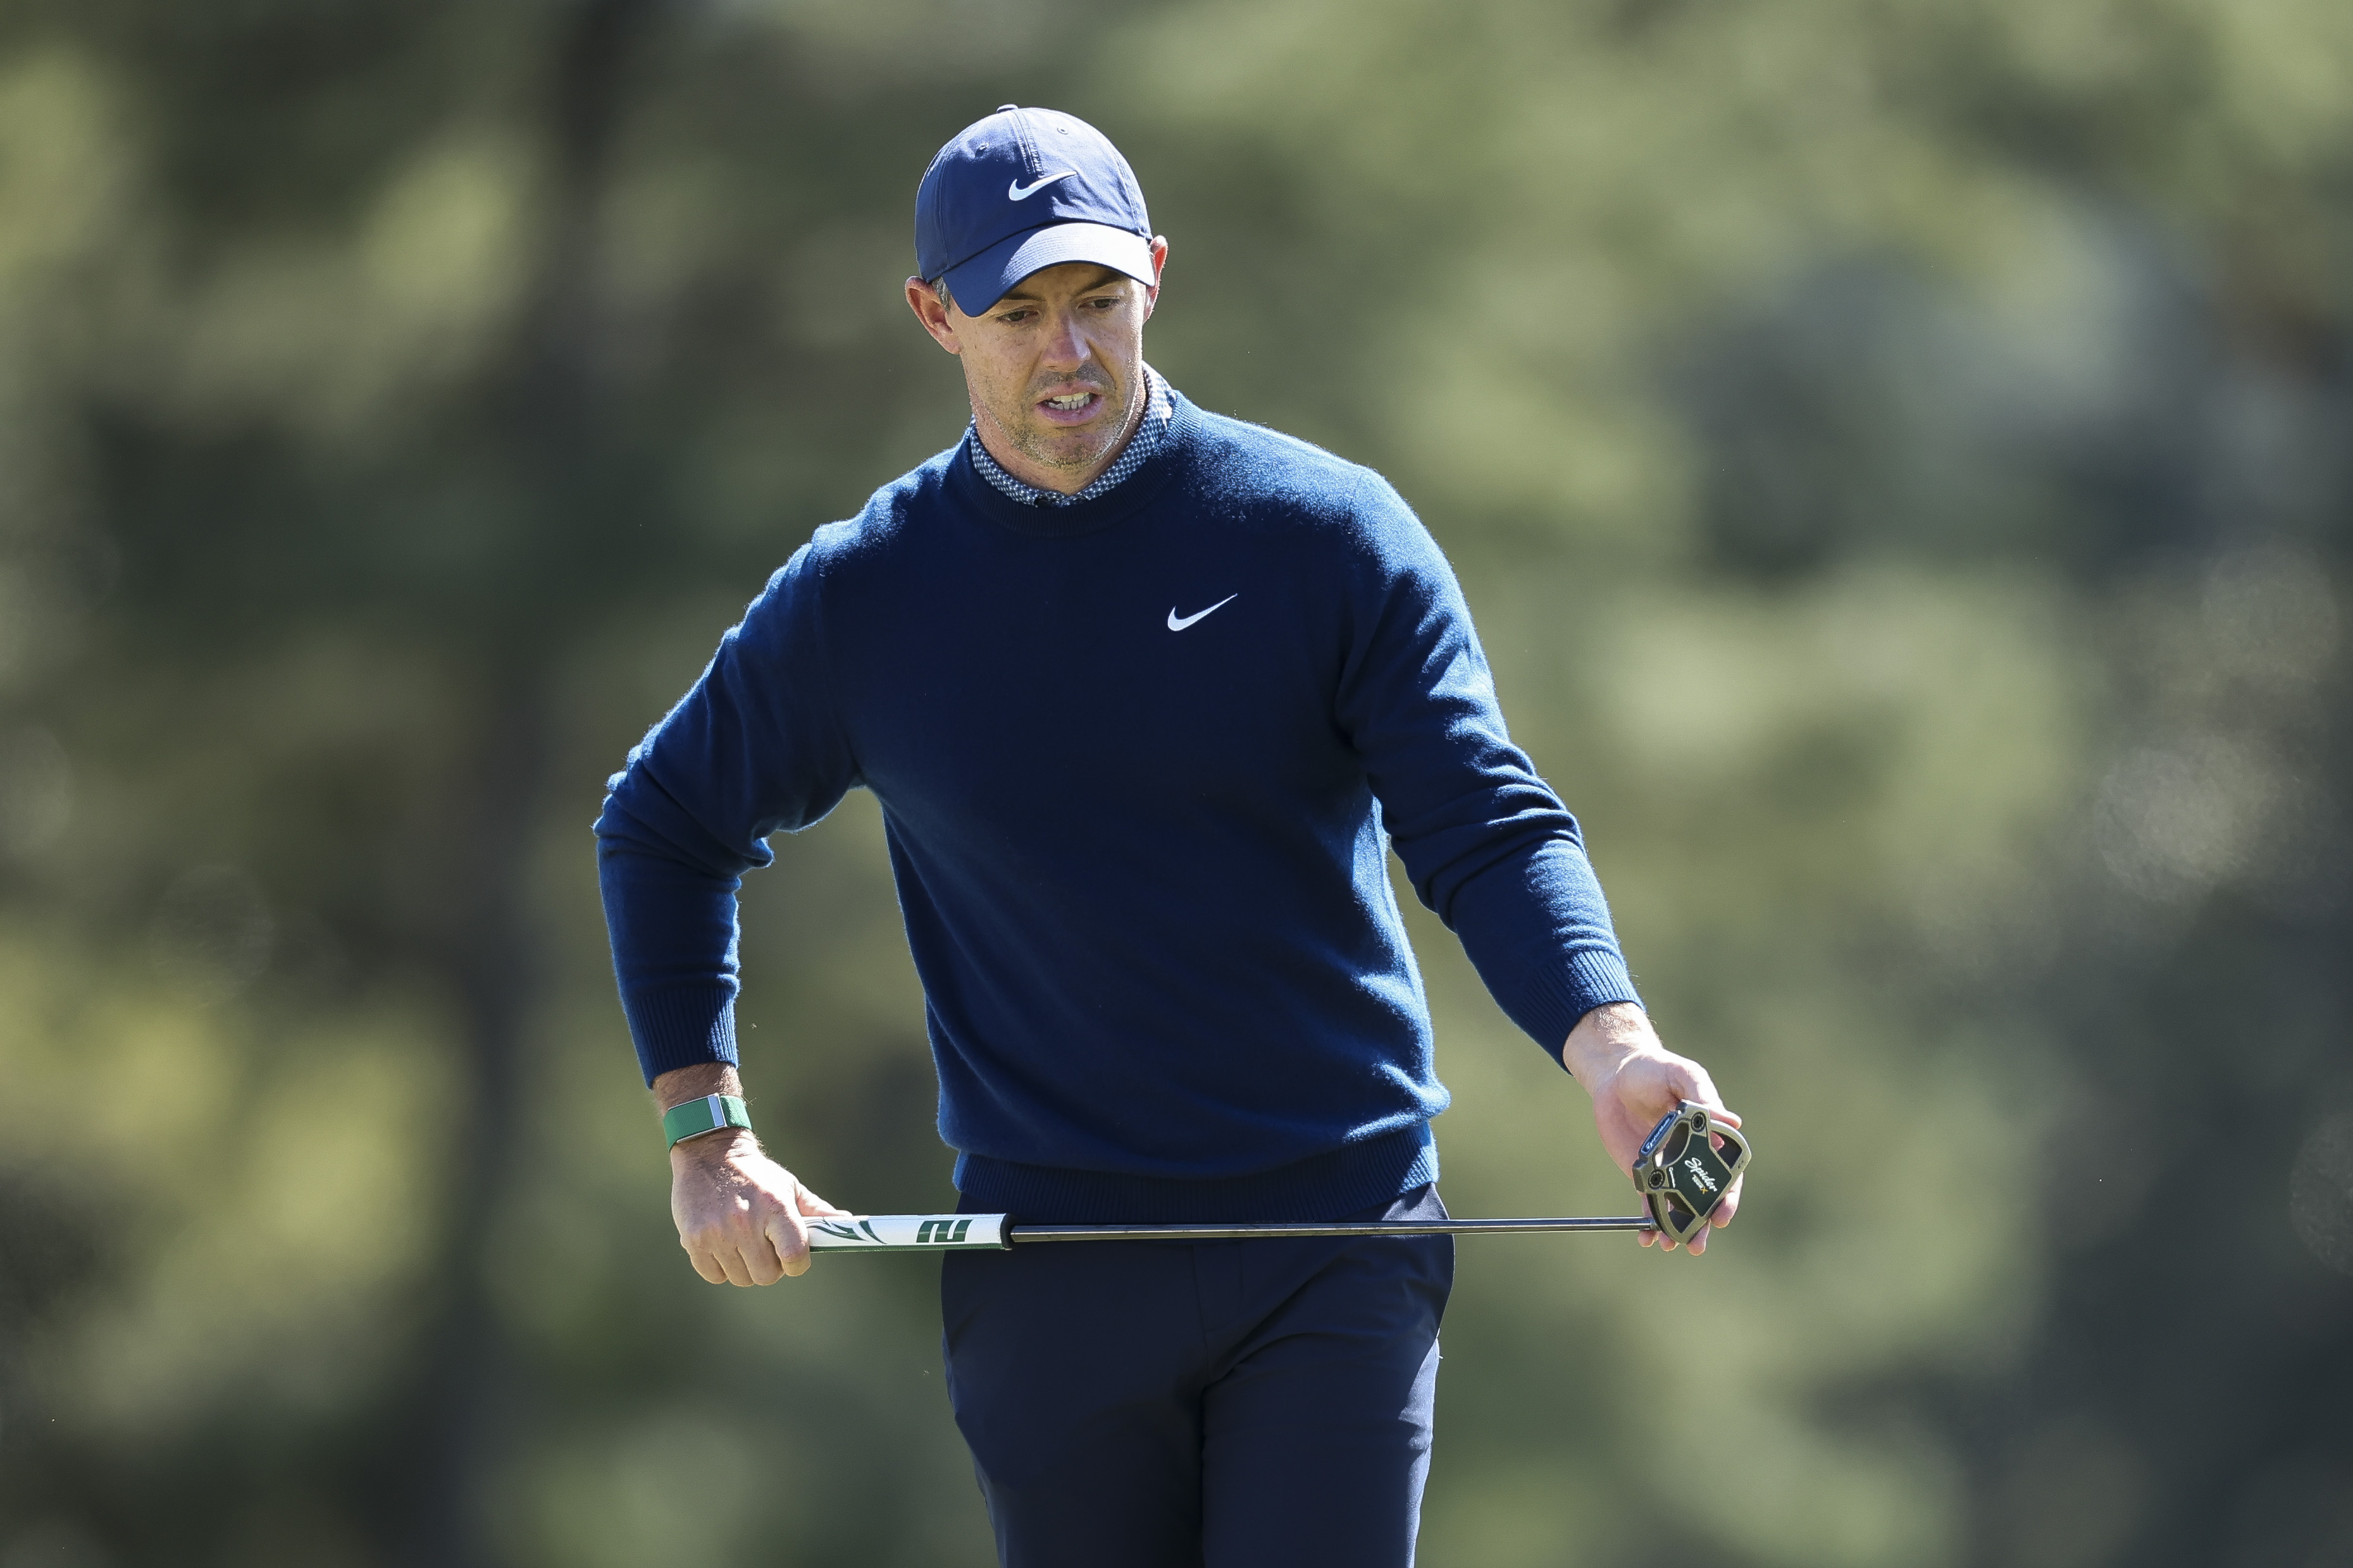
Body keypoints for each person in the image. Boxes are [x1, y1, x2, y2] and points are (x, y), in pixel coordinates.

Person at [594, 104, 1741, 1568]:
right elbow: (663, 822)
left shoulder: (1325, 536)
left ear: (1154, 275)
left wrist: (1614, 1044)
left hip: (1335, 1235)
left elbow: (1484, 821)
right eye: (1019, 313)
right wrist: (707, 1136)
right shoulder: (864, 597)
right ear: (935, 317)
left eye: (1097, 299)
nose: (1067, 350)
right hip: (1049, 1269)